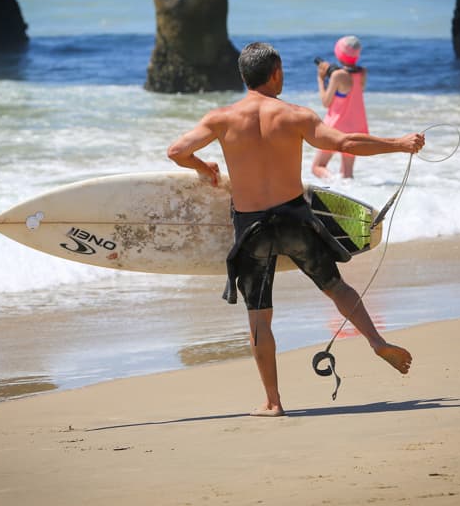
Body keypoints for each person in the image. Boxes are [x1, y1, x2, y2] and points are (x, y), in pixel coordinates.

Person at [167, 42, 424, 417]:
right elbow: (347, 142)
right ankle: (376, 341)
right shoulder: (296, 116)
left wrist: (202, 167)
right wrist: (399, 144)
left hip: (251, 227)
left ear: (243, 77)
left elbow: (176, 150)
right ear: (275, 74)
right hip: (294, 219)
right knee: (335, 285)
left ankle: (273, 402)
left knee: (259, 315)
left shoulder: (221, 118)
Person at [311, 35, 368, 179]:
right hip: (356, 127)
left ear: (339, 53)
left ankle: (335, 183)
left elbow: (326, 102)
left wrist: (320, 79)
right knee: (347, 174)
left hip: (336, 127)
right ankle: (347, 191)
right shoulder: (362, 73)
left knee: (318, 167)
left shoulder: (337, 75)